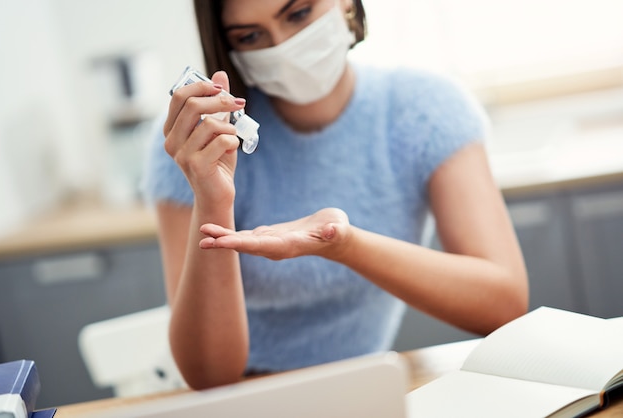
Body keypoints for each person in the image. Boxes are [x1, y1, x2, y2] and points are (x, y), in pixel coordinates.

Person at [142, 0, 529, 390]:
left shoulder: (425, 110)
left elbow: (503, 304)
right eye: (251, 36)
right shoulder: (200, 141)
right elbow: (210, 376)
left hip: (360, 391)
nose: (282, 47)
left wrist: (344, 244)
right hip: (239, 401)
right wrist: (213, 198)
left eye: (298, 14)